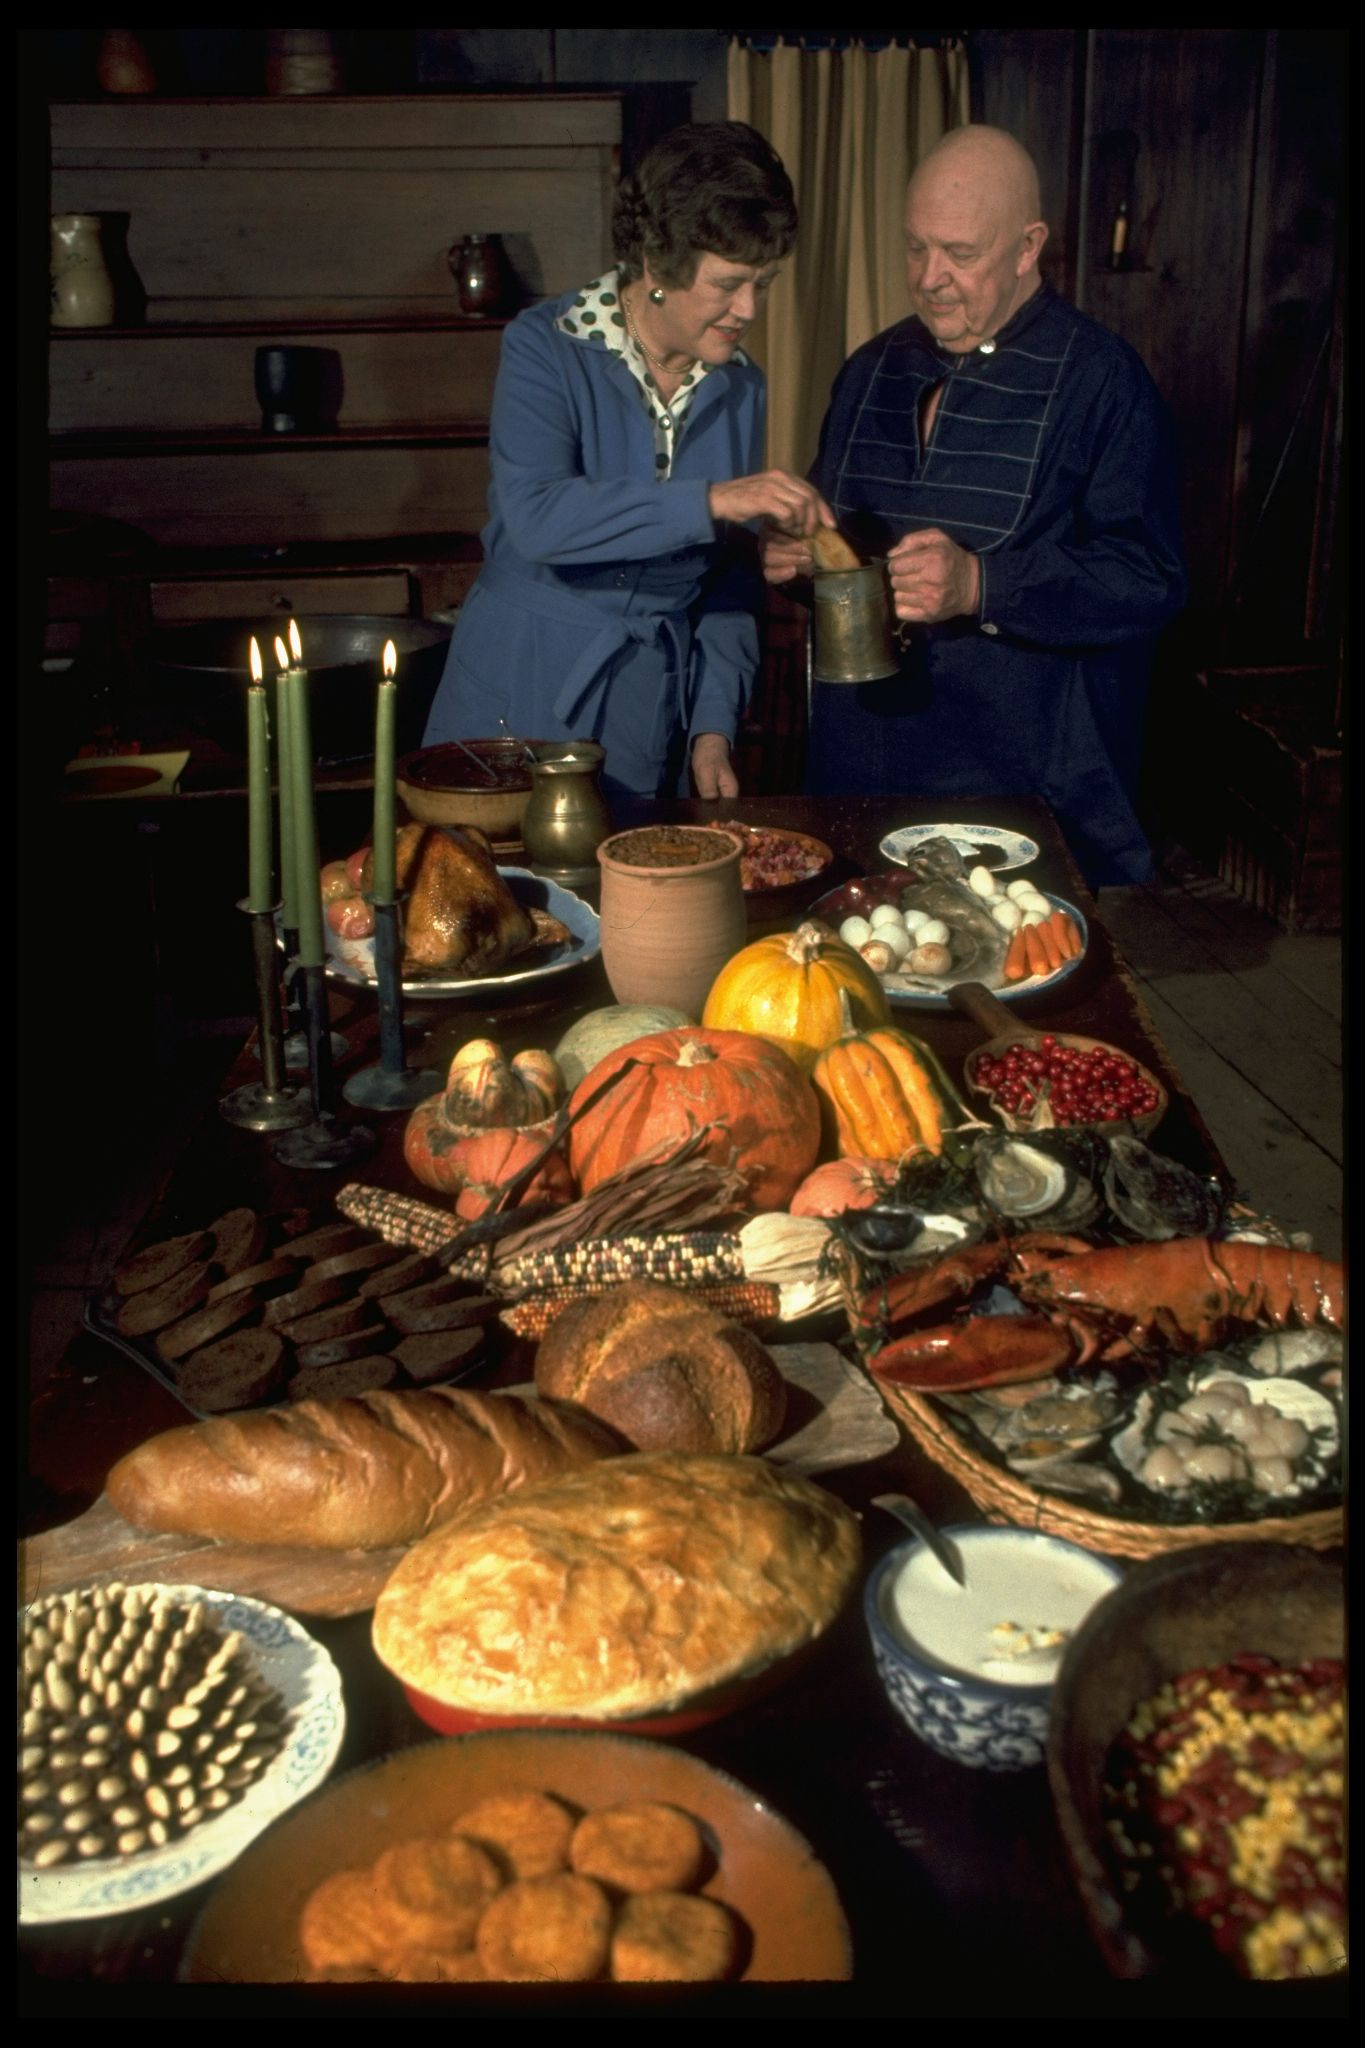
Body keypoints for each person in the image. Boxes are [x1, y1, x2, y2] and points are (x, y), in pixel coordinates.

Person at [763, 124, 1188, 885]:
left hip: (1020, 789)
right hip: (863, 774)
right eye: (915, 248)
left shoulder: (1102, 380)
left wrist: (981, 585)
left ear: (1027, 248)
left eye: (959, 254)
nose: (929, 277)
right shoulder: (870, 368)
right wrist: (795, 562)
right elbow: (839, 552)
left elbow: (1148, 579)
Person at [422, 121, 835, 801]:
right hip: (518, 687)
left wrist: (710, 727)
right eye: (729, 284)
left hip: (645, 713)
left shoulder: (740, 386)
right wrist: (711, 500)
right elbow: (538, 518)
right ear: (658, 268)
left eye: (764, 283)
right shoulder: (544, 347)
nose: (749, 309)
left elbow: (726, 581)